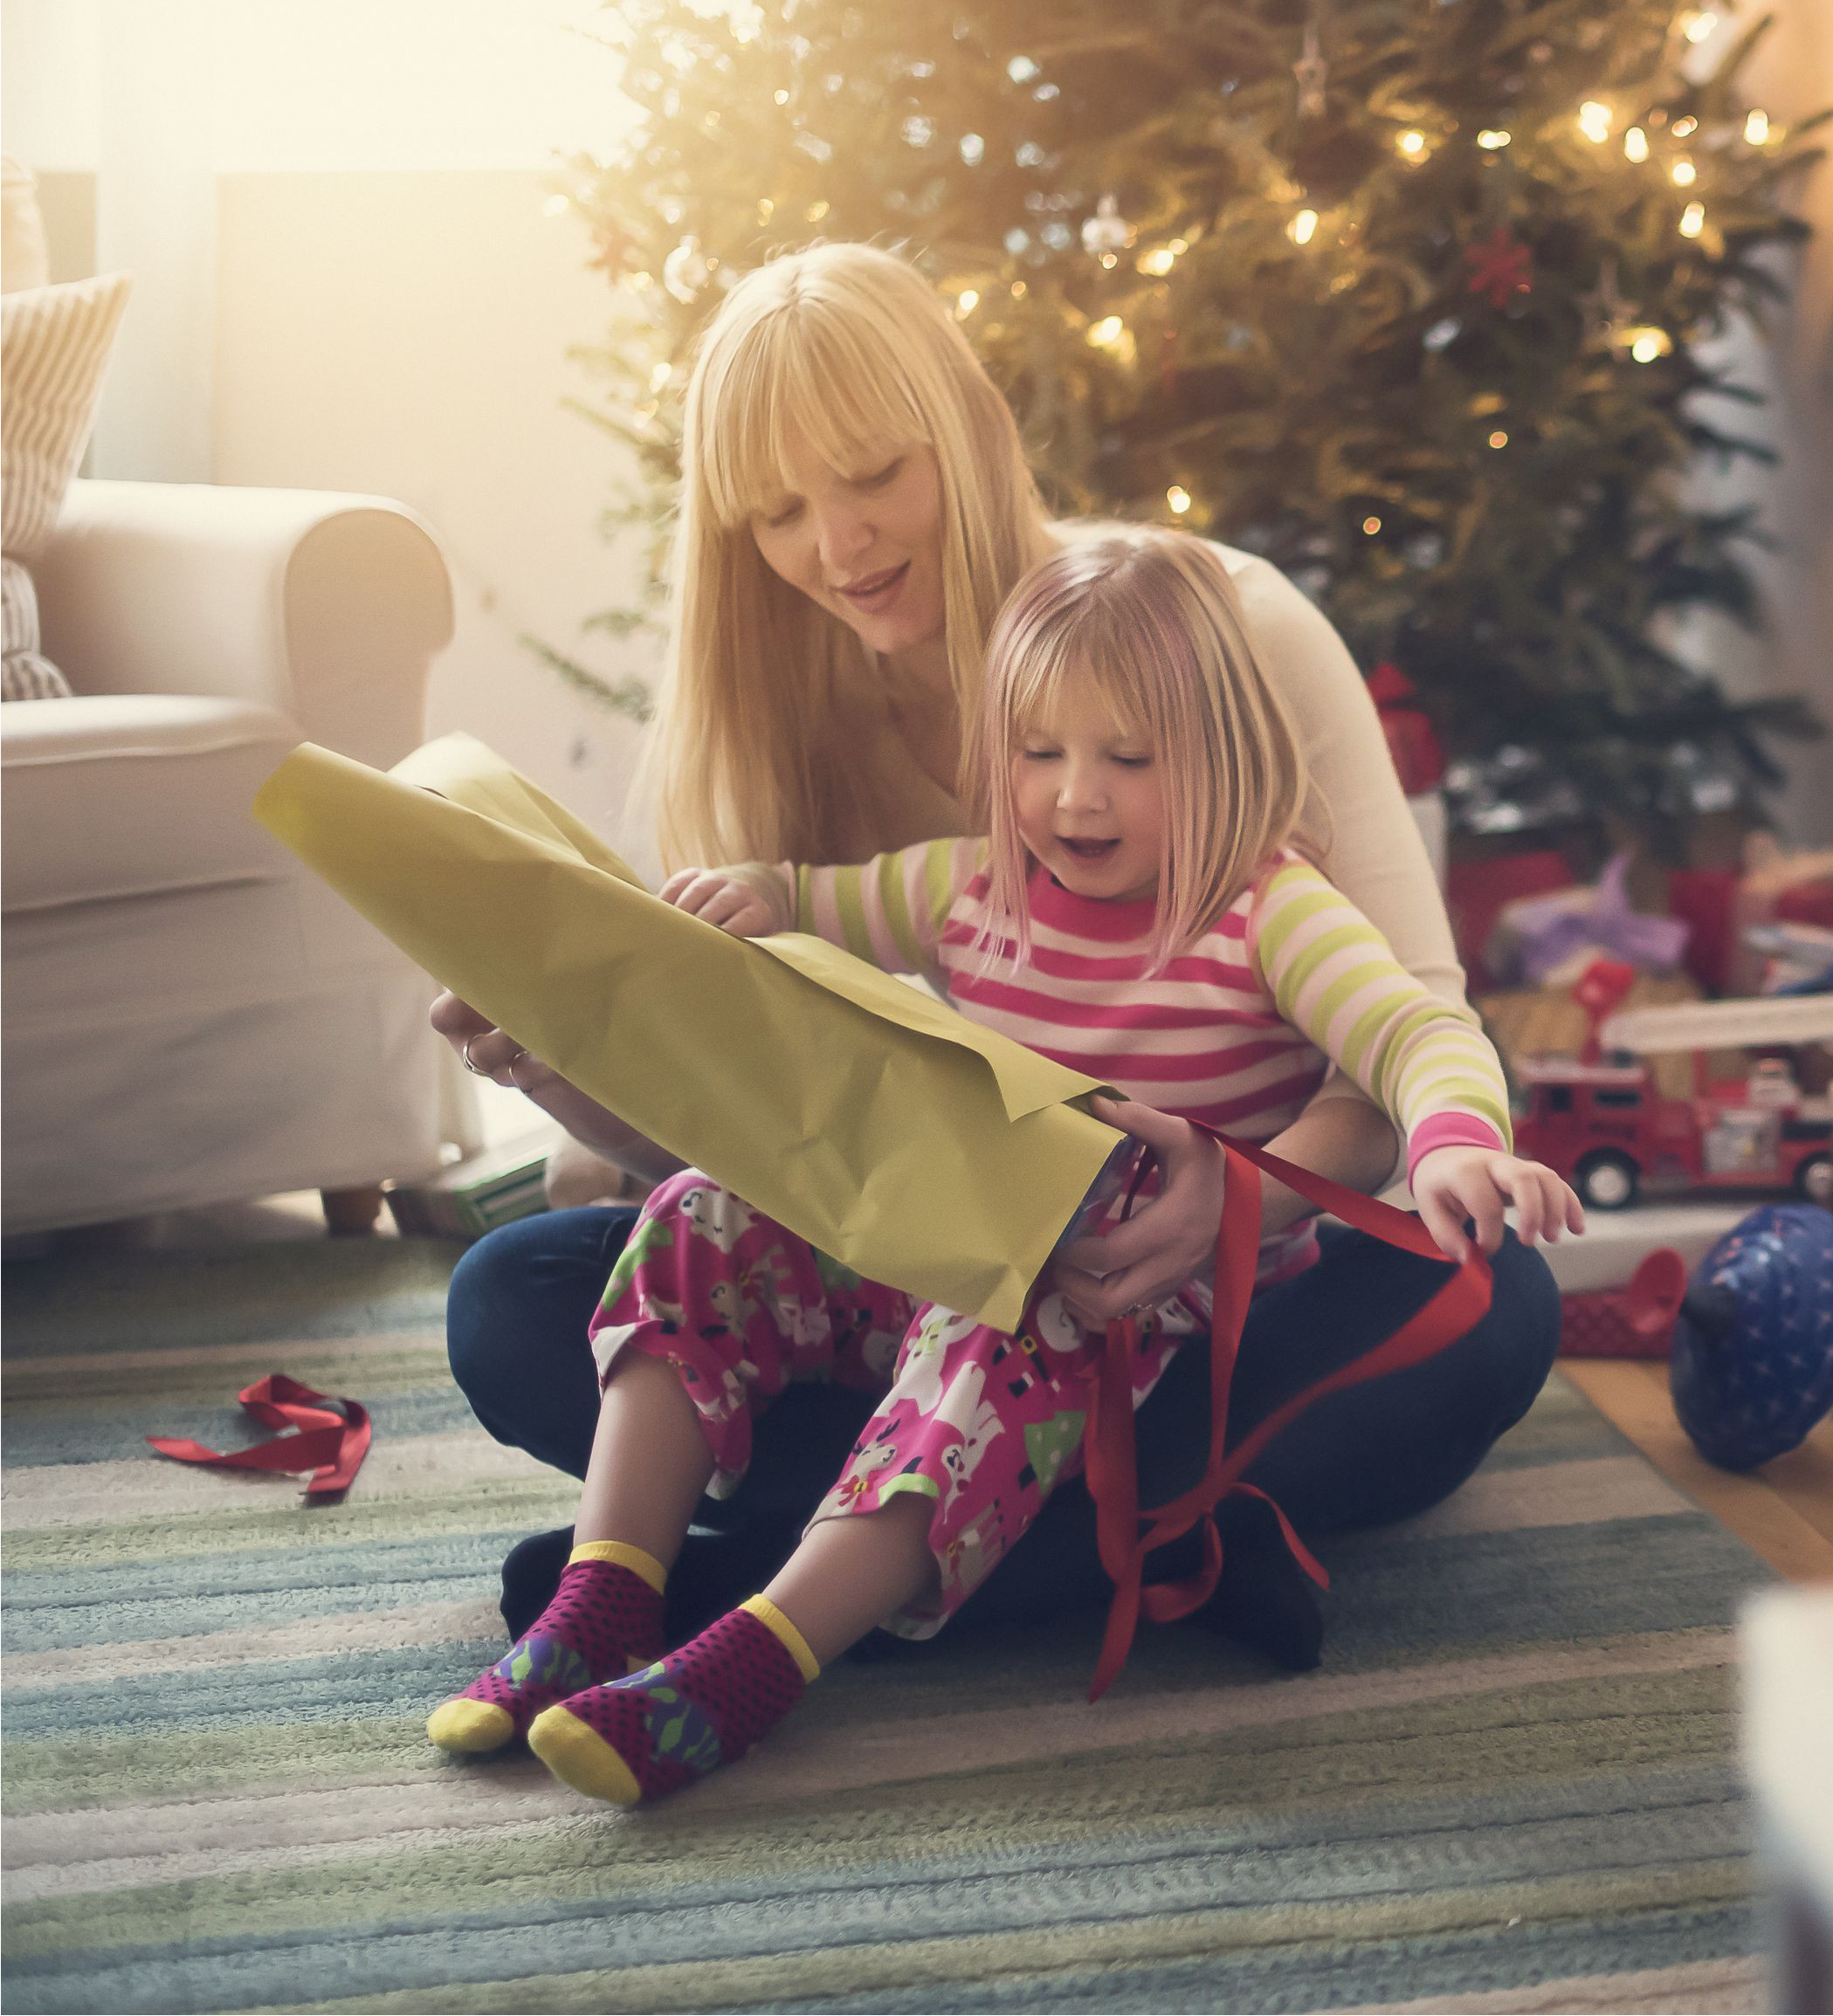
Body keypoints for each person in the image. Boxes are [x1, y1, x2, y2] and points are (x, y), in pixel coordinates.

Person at [436, 243, 1559, 1662]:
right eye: (777, 510)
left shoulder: (1219, 631)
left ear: (967, 429)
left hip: (1205, 1299)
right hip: (936, 1302)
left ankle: (771, 1592)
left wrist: (1240, 1194)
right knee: (516, 1298)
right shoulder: (785, 735)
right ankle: (1125, 1552)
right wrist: (549, 1056)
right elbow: (750, 1149)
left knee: (1490, 1305)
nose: (836, 547)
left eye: (871, 473)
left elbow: (1406, 1034)